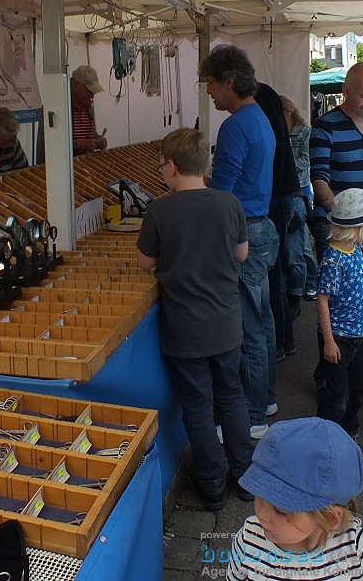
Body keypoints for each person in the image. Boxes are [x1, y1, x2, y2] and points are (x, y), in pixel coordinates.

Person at [136, 128, 254, 511]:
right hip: (225, 322)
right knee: (232, 396)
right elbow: (241, 254)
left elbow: (145, 263)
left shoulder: (160, 210)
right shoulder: (228, 202)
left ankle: (212, 486)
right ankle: (246, 475)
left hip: (184, 328)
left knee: (198, 406)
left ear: (171, 167)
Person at [228, 417, 363, 581]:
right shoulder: (249, 539)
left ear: (329, 519)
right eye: (259, 495)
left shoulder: (358, 548)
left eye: (281, 510)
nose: (261, 514)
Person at [200, 45, 278, 439]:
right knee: (262, 319)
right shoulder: (259, 116)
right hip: (261, 227)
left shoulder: (234, 125)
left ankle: (251, 415)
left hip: (244, 231)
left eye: (211, 83)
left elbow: (222, 194)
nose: (209, 91)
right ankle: (264, 398)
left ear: (228, 81)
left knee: (248, 326)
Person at [309, 63, 363, 322]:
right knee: (335, 297)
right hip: (334, 225)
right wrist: (346, 221)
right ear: (346, 91)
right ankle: (333, 355)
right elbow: (320, 179)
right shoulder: (325, 126)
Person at [315, 189, 363, 440]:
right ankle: (325, 435)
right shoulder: (333, 260)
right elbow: (322, 300)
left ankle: (348, 430)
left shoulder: (355, 249)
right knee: (337, 396)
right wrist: (329, 342)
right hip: (340, 338)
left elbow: (358, 291)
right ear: (357, 229)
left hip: (361, 333)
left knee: (360, 389)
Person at [256, 84, 306, 374]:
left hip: (277, 197)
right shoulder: (270, 105)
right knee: (277, 273)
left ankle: (278, 343)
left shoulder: (260, 106)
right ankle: (285, 339)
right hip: (285, 194)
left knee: (273, 274)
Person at [283, 95, 319, 306]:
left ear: (289, 113)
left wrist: (284, 162)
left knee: (299, 244)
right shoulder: (278, 132)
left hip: (301, 193)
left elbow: (306, 162)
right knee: (298, 244)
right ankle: (304, 283)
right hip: (286, 193)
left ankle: (307, 284)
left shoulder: (305, 132)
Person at [70, 64, 108, 154]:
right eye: (89, 91)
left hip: (84, 165)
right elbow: (51, 144)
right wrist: (79, 145)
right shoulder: (57, 109)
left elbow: (88, 135)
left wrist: (99, 140)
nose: (92, 95)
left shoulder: (88, 108)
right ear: (75, 85)